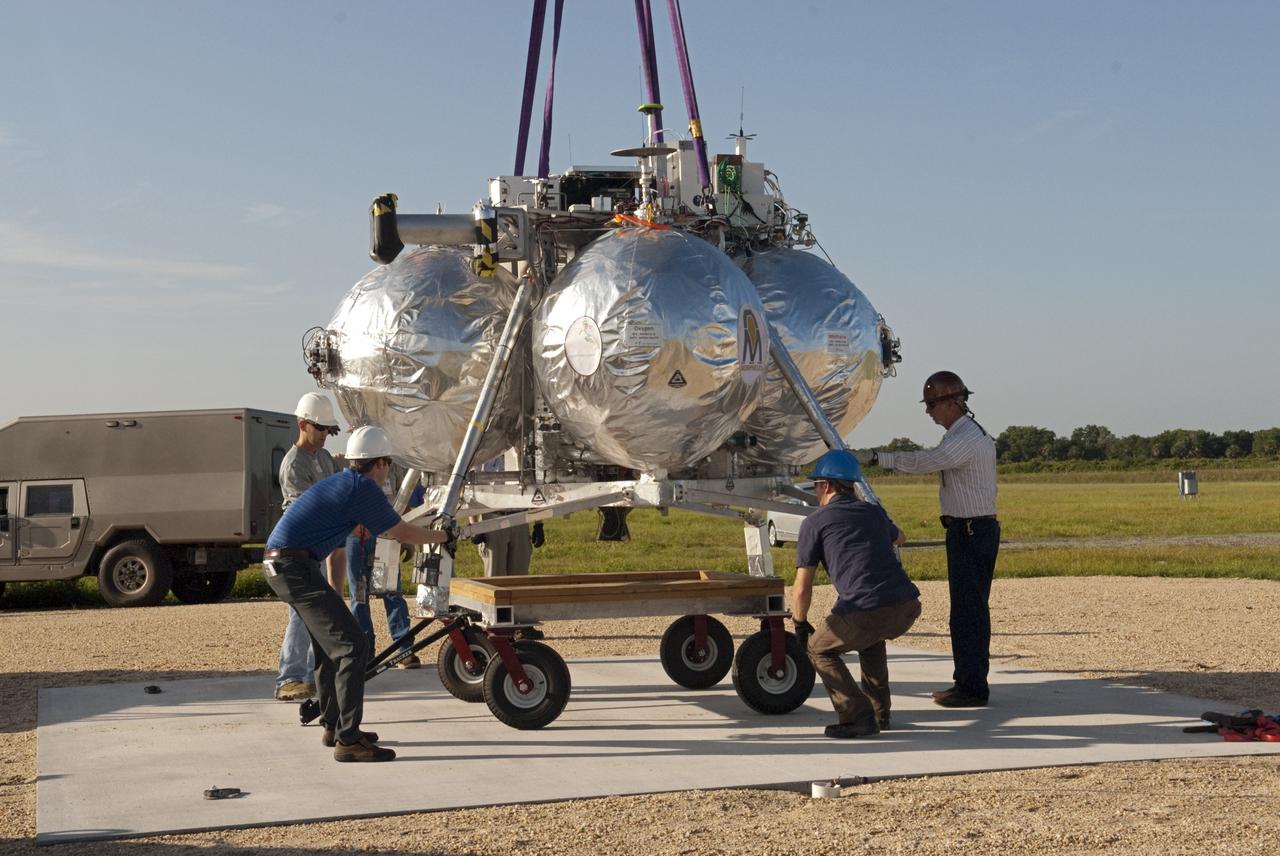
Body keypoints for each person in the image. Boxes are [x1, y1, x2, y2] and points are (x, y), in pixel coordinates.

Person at [263, 425, 453, 762]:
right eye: (388, 465)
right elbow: (402, 532)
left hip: (289, 565)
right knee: (353, 647)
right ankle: (348, 741)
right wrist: (442, 536)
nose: (388, 472)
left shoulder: (345, 483)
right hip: (292, 567)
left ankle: (334, 725)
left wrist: (335, 594)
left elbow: (335, 547)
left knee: (328, 647)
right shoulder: (363, 489)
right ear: (378, 463)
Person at [857, 370, 998, 708]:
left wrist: (878, 458)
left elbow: (928, 461)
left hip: (971, 531)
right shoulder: (962, 433)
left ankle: (972, 688)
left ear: (953, 402)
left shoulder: (965, 438)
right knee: (966, 611)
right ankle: (967, 682)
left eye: (932, 404)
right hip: (967, 530)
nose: (929, 412)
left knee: (968, 612)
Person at [791, 449, 922, 738]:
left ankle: (857, 716)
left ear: (825, 485)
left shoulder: (815, 522)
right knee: (871, 637)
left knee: (818, 648)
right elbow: (901, 538)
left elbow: (802, 587)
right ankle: (880, 713)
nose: (815, 491)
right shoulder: (873, 512)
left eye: (815, 485)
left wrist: (800, 624)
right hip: (906, 606)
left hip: (865, 608)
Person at [274, 392, 345, 702]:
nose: (325, 435)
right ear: (302, 424)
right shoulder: (293, 465)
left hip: (313, 549)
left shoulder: (325, 459)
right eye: (320, 428)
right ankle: (289, 678)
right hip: (293, 552)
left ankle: (305, 676)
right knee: (301, 613)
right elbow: (306, 511)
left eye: (328, 430)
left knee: (312, 614)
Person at [345, 462, 418, 668]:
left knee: (391, 591)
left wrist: (405, 537)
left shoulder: (393, 466)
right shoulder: (354, 466)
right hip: (357, 537)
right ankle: (365, 651)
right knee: (359, 596)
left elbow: (403, 502)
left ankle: (404, 649)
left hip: (386, 536)